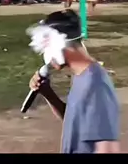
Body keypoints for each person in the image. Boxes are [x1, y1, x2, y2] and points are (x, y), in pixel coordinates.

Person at [27, 10, 120, 154]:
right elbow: (74, 122)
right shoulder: (81, 75)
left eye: (46, 46)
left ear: (60, 43)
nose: (45, 55)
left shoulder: (96, 85)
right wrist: (47, 93)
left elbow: (108, 150)